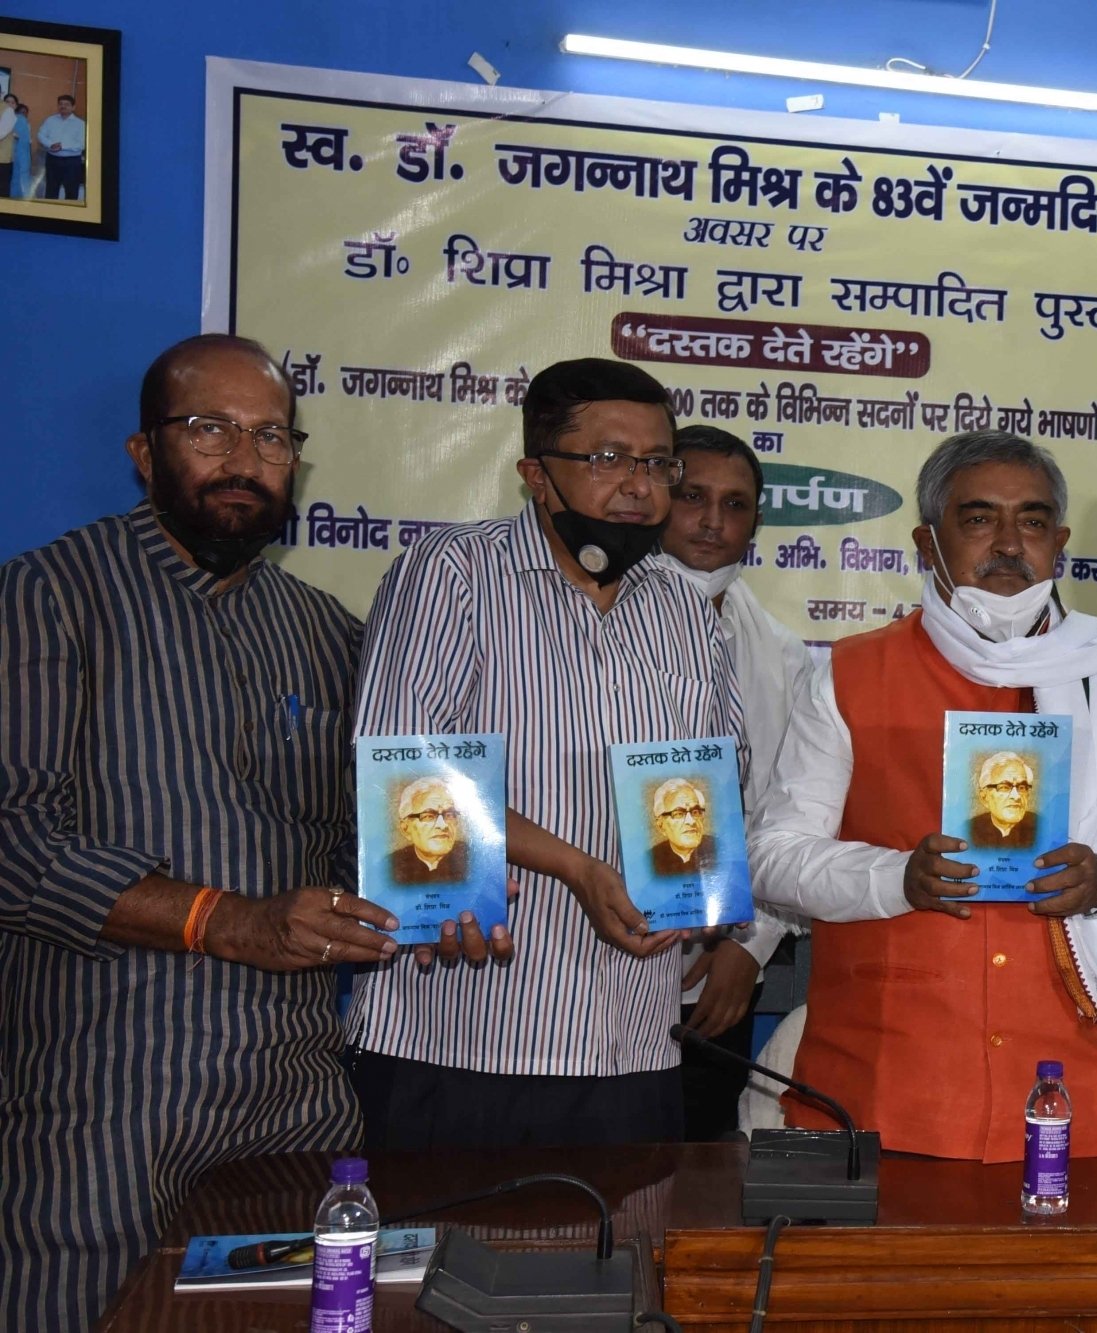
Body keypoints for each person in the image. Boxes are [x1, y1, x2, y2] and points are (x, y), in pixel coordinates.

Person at [0, 334, 405, 1331]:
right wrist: (229, 921)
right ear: (146, 453)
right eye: (210, 429)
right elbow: (14, 841)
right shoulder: (53, 594)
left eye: (271, 436)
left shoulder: (325, 629)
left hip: (297, 1093)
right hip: (106, 1096)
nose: (245, 458)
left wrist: (439, 886)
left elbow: (362, 839)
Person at [749, 429, 1097, 1161]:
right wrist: (895, 877)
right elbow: (772, 857)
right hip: (886, 1088)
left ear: (1058, 542)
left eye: (1030, 520)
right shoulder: (851, 673)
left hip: (1073, 1085)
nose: (1006, 542)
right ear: (926, 542)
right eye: (977, 518)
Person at [344, 358, 739, 1152]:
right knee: (445, 1275)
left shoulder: (685, 610)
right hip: (467, 1036)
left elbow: (705, 784)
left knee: (625, 1270)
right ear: (536, 475)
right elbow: (403, 773)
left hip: (635, 1041)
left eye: (657, 463)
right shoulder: (453, 572)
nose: (637, 483)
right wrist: (578, 867)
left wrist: (700, 897)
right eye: (606, 459)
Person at [659, 423, 811, 1140]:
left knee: (693, 1169)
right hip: (592, 957)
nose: (712, 521)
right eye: (691, 496)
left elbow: (792, 814)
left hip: (724, 967)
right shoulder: (585, 630)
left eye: (735, 504)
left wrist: (748, 950)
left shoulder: (782, 657)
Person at [390, 776, 468, 884]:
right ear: (406, 828)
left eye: (449, 815)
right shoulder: (390, 865)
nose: (442, 825)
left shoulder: (473, 860)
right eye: (428, 816)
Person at [968, 752, 1038, 847]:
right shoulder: (969, 830)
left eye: (1021, 787)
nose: (1016, 796)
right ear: (984, 797)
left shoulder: (1042, 827)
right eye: (1004, 787)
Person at [650, 778, 711, 875]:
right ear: (661, 826)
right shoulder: (651, 860)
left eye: (695, 812)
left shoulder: (719, 850)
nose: (691, 821)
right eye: (678, 814)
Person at [37, 93, 84, 201]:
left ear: (73, 107)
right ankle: (49, 215)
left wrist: (62, 146)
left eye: (66, 104)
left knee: (71, 191)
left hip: (72, 162)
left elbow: (82, 144)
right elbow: (40, 135)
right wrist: (50, 145)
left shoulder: (80, 124)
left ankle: (70, 216)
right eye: (60, 104)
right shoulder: (50, 120)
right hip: (52, 159)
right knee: (51, 190)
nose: (63, 106)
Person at [8, 99, 31, 200]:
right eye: (21, 112)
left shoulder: (23, 122)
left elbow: (25, 142)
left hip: (17, 157)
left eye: (25, 112)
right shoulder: (19, 120)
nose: (23, 114)